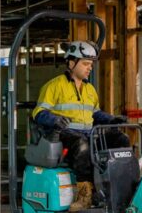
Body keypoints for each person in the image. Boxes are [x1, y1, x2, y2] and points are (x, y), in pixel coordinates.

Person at [31, 41, 129, 196]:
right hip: (65, 135)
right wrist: (55, 120)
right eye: (85, 64)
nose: (90, 67)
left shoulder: (90, 89)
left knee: (121, 139)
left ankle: (119, 187)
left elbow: (95, 113)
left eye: (91, 64)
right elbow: (39, 112)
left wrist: (111, 119)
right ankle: (85, 194)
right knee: (82, 146)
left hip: (89, 134)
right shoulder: (54, 86)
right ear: (71, 63)